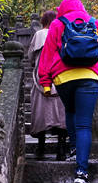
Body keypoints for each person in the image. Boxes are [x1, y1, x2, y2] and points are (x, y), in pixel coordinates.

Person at [38, 0, 98, 183]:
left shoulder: (58, 24)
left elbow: (47, 53)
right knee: (84, 125)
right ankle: (81, 173)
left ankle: (74, 149)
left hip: (63, 78)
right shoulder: (95, 23)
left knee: (70, 111)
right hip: (90, 77)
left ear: (62, 9)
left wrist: (46, 83)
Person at [27, 10, 68, 160]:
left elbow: (30, 56)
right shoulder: (63, 33)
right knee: (61, 113)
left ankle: (41, 147)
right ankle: (61, 149)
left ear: (43, 21)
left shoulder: (39, 34)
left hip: (42, 79)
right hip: (61, 77)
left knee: (40, 113)